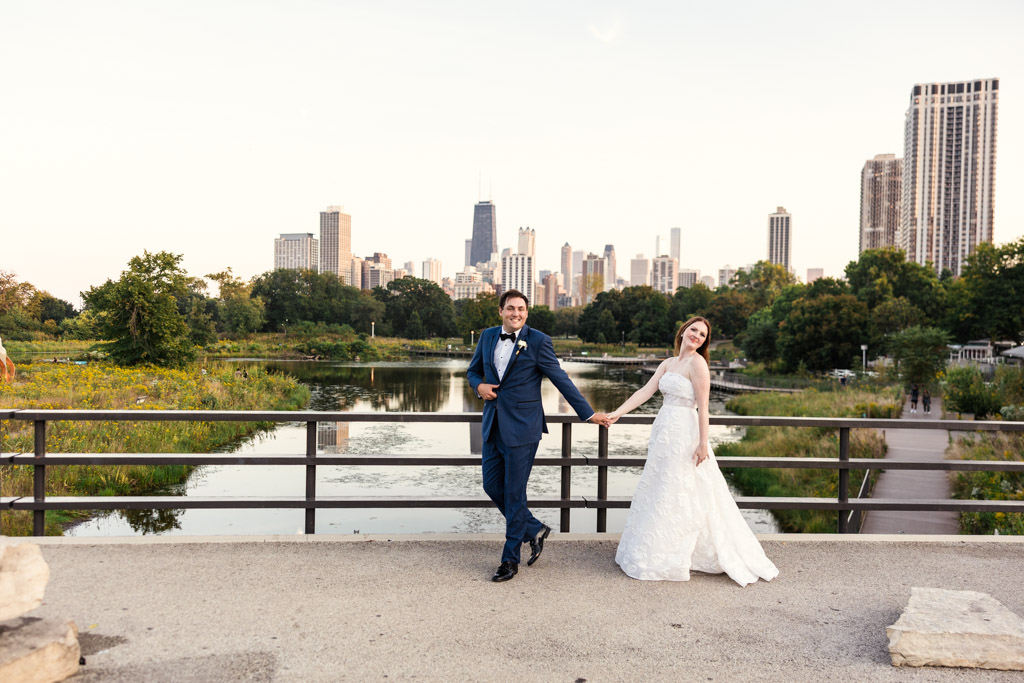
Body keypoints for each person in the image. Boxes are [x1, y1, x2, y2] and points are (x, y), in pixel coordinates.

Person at [607, 317, 778, 587]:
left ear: (704, 341)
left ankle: (677, 553)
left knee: (681, 489)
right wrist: (617, 413)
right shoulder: (668, 363)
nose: (696, 336)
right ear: (684, 331)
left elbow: (704, 406)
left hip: (685, 433)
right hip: (664, 432)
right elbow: (645, 391)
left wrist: (702, 443)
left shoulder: (698, 364)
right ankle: (653, 549)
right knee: (660, 487)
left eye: (702, 334)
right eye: (693, 330)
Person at [468, 289, 611, 582]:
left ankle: (510, 560)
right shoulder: (487, 336)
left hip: (523, 428)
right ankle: (533, 529)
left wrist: (588, 413)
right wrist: (479, 387)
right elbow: (472, 372)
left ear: (526, 312)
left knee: (514, 492)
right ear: (501, 311)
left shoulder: (538, 341)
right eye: (510, 309)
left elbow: (561, 379)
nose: (516, 313)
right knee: (491, 485)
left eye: (521, 309)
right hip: (492, 424)